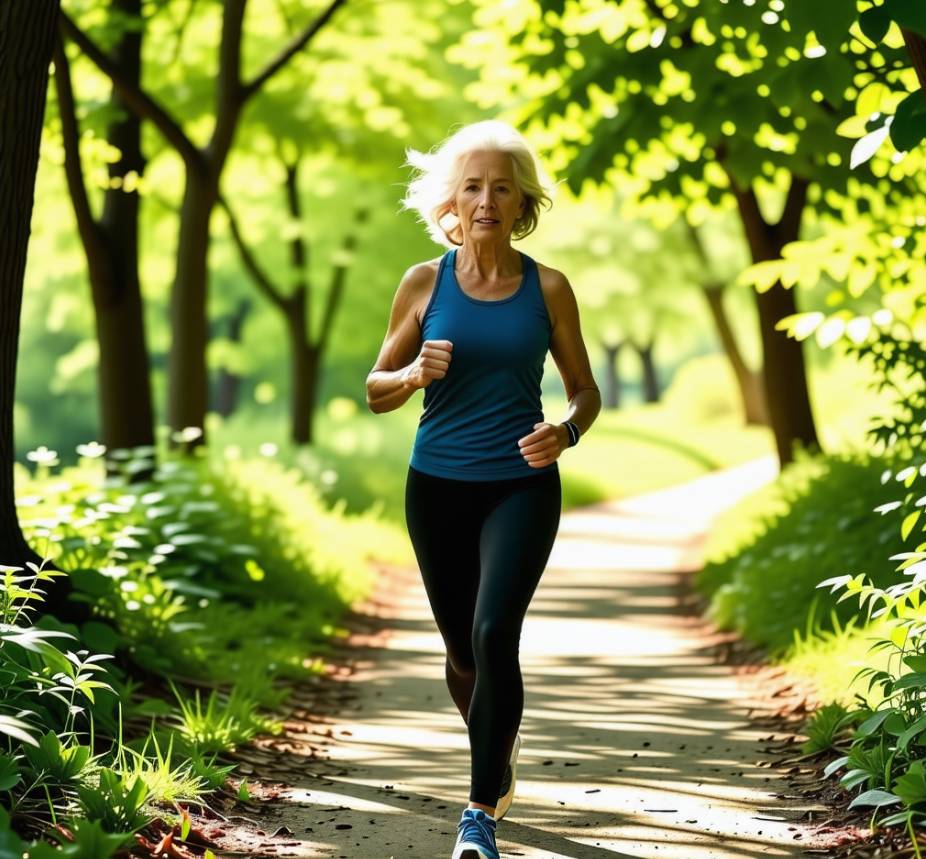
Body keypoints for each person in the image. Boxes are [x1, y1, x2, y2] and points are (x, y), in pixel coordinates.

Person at [365, 119, 601, 859]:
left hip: (521, 485)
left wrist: (565, 431)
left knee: (494, 633)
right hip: (435, 486)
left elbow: (585, 391)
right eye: (472, 186)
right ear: (451, 201)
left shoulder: (549, 287)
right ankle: (497, 745)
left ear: (522, 200)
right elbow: (375, 388)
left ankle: (477, 816)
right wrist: (411, 375)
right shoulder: (423, 282)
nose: (487, 200)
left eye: (502, 186)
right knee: (463, 655)